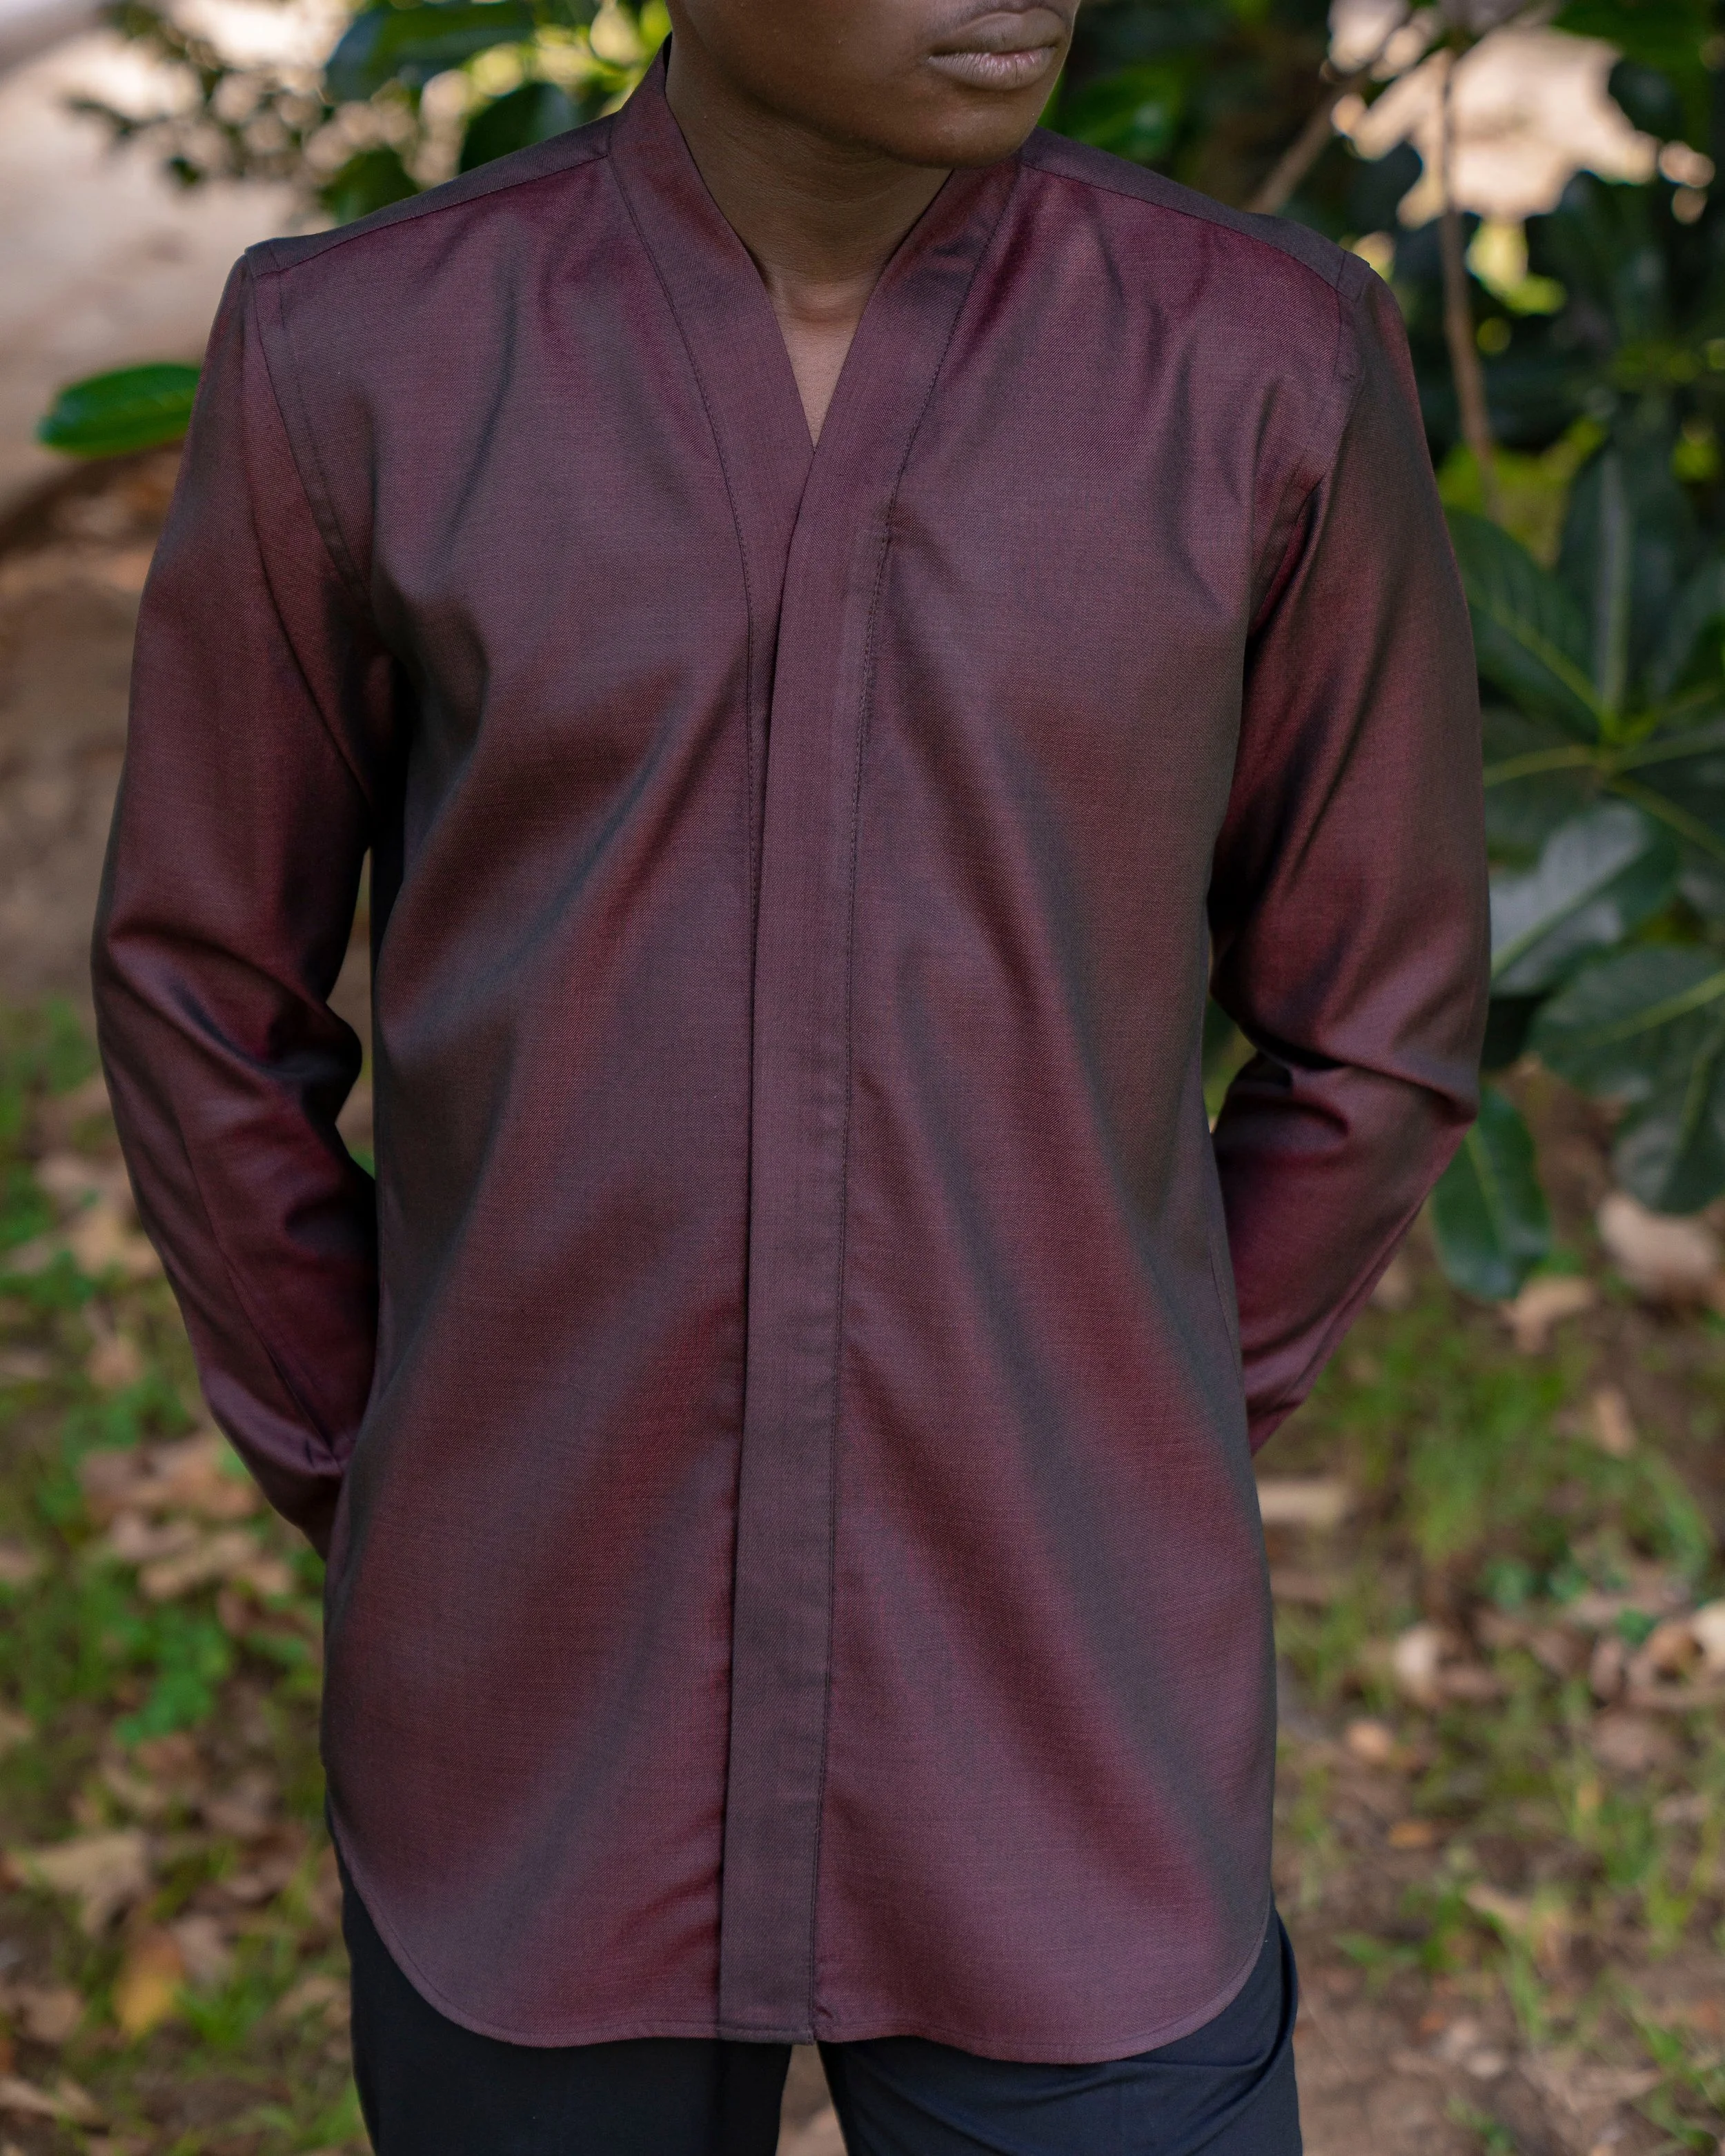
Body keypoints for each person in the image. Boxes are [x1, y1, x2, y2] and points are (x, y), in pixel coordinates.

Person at [91, 0, 1489, 2148]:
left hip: (1063, 1730)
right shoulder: (363, 352)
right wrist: (391, 1466)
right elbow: (204, 990)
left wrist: (1126, 1407)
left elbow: (1376, 1016)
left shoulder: (1259, 360)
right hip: (535, 1726)